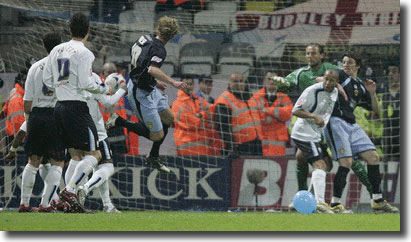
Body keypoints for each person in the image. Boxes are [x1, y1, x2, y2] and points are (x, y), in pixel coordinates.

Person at [284, 44, 371, 210]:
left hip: (323, 129)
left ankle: (306, 200)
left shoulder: (333, 77)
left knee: (329, 165)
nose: (310, 56)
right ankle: (312, 201)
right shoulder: (307, 81)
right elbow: (292, 99)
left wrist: (344, 89)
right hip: (307, 130)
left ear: (322, 55)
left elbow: (344, 80)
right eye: (307, 53)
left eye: (313, 53)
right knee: (311, 161)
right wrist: (282, 84)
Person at [43, 12, 112, 213]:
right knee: (95, 154)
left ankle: (69, 200)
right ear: (88, 31)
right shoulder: (85, 53)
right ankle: (70, 190)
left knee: (76, 154)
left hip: (59, 108)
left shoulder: (56, 49)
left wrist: (62, 87)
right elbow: (85, 82)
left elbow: (48, 80)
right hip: (76, 109)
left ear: (70, 29)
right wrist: (103, 88)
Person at [106, 16, 186, 173]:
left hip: (148, 87)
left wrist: (155, 83)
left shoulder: (144, 38)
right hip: (140, 93)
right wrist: (173, 83)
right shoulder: (160, 50)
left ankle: (153, 156)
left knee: (169, 117)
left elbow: (140, 64)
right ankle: (119, 121)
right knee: (156, 135)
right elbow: (151, 69)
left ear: (158, 28)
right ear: (172, 36)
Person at [324, 53, 399, 213]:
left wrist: (372, 92)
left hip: (351, 124)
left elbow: (375, 110)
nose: (345, 65)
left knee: (373, 157)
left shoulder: (360, 85)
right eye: (343, 62)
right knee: (346, 162)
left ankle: (377, 200)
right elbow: (319, 81)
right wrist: (336, 85)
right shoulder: (339, 75)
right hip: (335, 121)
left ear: (357, 66)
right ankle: (335, 204)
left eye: (349, 62)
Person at [20, 32, 65, 212]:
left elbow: (26, 103)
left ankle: (24, 204)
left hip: (37, 116)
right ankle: (46, 204)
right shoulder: (64, 68)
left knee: (33, 161)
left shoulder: (35, 67)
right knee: (57, 161)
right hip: (56, 115)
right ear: (60, 46)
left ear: (43, 46)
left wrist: (29, 121)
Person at [74, 72, 127, 213]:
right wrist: (122, 89)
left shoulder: (72, 81)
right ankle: (84, 188)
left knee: (97, 167)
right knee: (108, 168)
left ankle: (107, 204)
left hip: (77, 126)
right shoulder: (92, 79)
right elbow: (108, 102)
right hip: (96, 130)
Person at [291, 69, 339, 214]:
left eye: (332, 80)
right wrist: (313, 116)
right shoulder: (311, 91)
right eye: (326, 79)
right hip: (304, 133)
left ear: (337, 83)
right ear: (322, 78)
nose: (328, 83)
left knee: (328, 165)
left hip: (316, 134)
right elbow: (295, 110)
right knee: (320, 165)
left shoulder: (335, 92)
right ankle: (319, 203)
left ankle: (305, 200)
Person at [212, 72, 261, 157]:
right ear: (229, 83)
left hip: (256, 143)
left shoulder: (250, 97)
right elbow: (223, 128)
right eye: (235, 81)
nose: (239, 84)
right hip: (239, 147)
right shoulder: (223, 101)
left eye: (241, 81)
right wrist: (232, 147)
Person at [171, 75, 220, 155]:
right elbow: (195, 124)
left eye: (191, 84)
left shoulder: (199, 100)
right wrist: (204, 116)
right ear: (180, 85)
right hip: (186, 149)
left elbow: (212, 112)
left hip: (204, 147)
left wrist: (199, 116)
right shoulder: (177, 104)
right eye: (186, 84)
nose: (189, 86)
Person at [248, 72, 293, 156]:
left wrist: (265, 110)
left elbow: (287, 115)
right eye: (269, 79)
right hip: (262, 139)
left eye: (274, 80)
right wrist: (278, 113)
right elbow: (256, 119)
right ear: (264, 81)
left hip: (279, 141)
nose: (272, 82)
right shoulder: (255, 97)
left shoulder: (284, 97)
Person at [98, 62, 129, 154]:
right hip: (103, 127)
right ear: (102, 73)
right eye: (109, 72)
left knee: (119, 157)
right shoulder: (98, 85)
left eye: (114, 71)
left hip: (119, 127)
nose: (112, 74)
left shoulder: (119, 83)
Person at [0, 73, 25, 149]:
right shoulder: (23, 96)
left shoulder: (12, 94)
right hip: (21, 133)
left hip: (11, 132)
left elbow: (3, 113)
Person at [381, 64, 400, 161]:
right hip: (387, 140)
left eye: (394, 71)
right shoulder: (383, 94)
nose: (390, 74)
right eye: (389, 72)